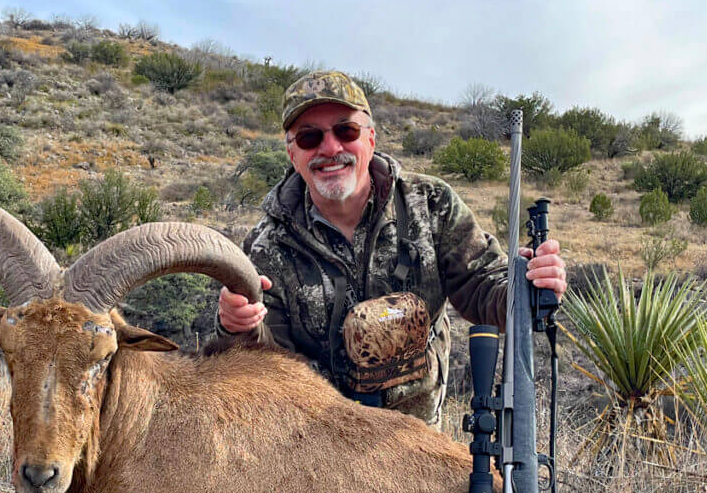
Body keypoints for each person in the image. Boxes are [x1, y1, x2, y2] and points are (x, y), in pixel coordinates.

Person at [216, 70, 566, 426]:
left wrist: (530, 284)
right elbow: (266, 363)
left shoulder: (431, 204)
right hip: (318, 446)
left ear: (370, 138)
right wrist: (236, 327)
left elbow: (483, 287)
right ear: (292, 153)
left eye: (345, 131)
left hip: (419, 442)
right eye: (309, 138)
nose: (331, 148)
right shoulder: (267, 246)